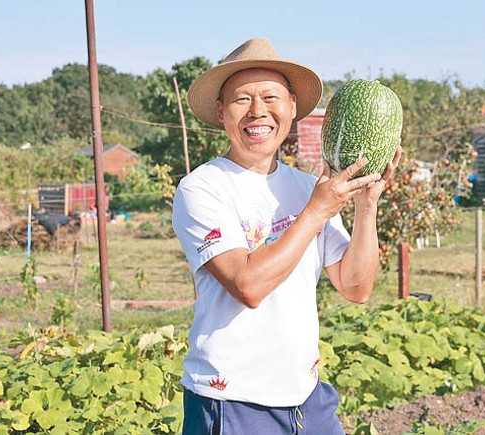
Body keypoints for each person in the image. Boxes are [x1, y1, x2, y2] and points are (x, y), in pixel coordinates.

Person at [172, 37, 401, 434]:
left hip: (306, 397)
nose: (258, 111)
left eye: (271, 97)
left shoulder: (305, 186)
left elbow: (355, 286)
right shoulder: (201, 188)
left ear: (292, 107)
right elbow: (248, 285)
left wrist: (368, 204)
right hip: (233, 401)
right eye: (243, 99)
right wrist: (316, 210)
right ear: (222, 111)